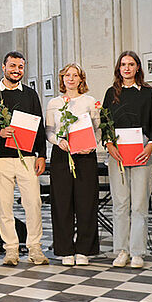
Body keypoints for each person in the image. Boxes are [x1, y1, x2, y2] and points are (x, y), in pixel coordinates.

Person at [0, 51, 49, 266]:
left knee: (33, 203)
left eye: (20, 67)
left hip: (27, 158)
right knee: (5, 205)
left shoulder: (30, 95)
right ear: (3, 67)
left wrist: (42, 155)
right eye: (12, 66)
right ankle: (10, 249)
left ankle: (34, 247)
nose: (16, 70)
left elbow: (39, 126)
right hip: (1, 158)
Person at [101, 51, 152, 269]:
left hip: (142, 152)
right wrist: (109, 145)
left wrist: (150, 146)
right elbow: (104, 123)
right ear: (118, 68)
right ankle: (121, 250)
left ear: (138, 68)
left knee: (138, 204)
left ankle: (137, 252)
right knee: (120, 204)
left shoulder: (147, 93)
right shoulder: (111, 93)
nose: (127, 68)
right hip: (117, 153)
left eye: (131, 64)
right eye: (123, 64)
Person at [45, 64, 100, 266]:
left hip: (85, 156)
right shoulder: (53, 103)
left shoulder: (89, 101)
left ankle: (84, 250)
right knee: (62, 203)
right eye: (67, 75)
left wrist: (92, 146)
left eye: (75, 75)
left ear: (81, 79)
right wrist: (57, 141)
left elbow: (98, 129)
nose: (71, 78)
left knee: (86, 203)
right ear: (62, 78)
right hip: (62, 154)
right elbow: (48, 130)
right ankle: (65, 249)